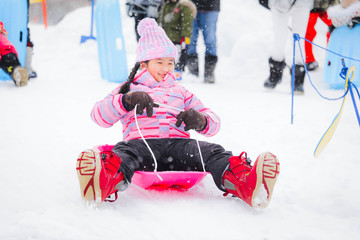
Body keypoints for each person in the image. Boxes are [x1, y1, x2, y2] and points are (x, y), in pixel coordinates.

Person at [76, 18, 280, 209]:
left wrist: (201, 121)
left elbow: (214, 122)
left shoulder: (180, 91)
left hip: (179, 147)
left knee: (214, 151)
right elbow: (98, 116)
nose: (166, 68)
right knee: (122, 155)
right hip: (141, 146)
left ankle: (246, 184)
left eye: (170, 62)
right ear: (144, 63)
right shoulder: (128, 89)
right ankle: (102, 183)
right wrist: (126, 100)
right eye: (159, 62)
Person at [264, 0, 313, 94]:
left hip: (302, 3)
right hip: (278, 3)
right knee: (279, 37)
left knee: (299, 39)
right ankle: (275, 73)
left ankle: (298, 80)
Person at [157, 0, 196, 80]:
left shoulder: (184, 6)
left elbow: (187, 24)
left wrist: (186, 38)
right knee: (165, 58)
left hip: (178, 39)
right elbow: (161, 20)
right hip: (166, 39)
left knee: (178, 57)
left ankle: (178, 73)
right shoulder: (166, 4)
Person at [186, 0, 220, 83]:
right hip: (190, 5)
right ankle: (192, 71)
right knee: (190, 39)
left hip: (210, 7)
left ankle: (209, 72)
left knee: (210, 39)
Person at [304, 0, 339, 71]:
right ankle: (309, 60)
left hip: (327, 6)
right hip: (310, 7)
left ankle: (332, 58)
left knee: (335, 29)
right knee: (308, 32)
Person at [0, 21, 28, 87]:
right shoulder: (2, 37)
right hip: (12, 53)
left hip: (4, 55)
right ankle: (19, 79)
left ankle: (17, 74)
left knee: (10, 68)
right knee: (14, 68)